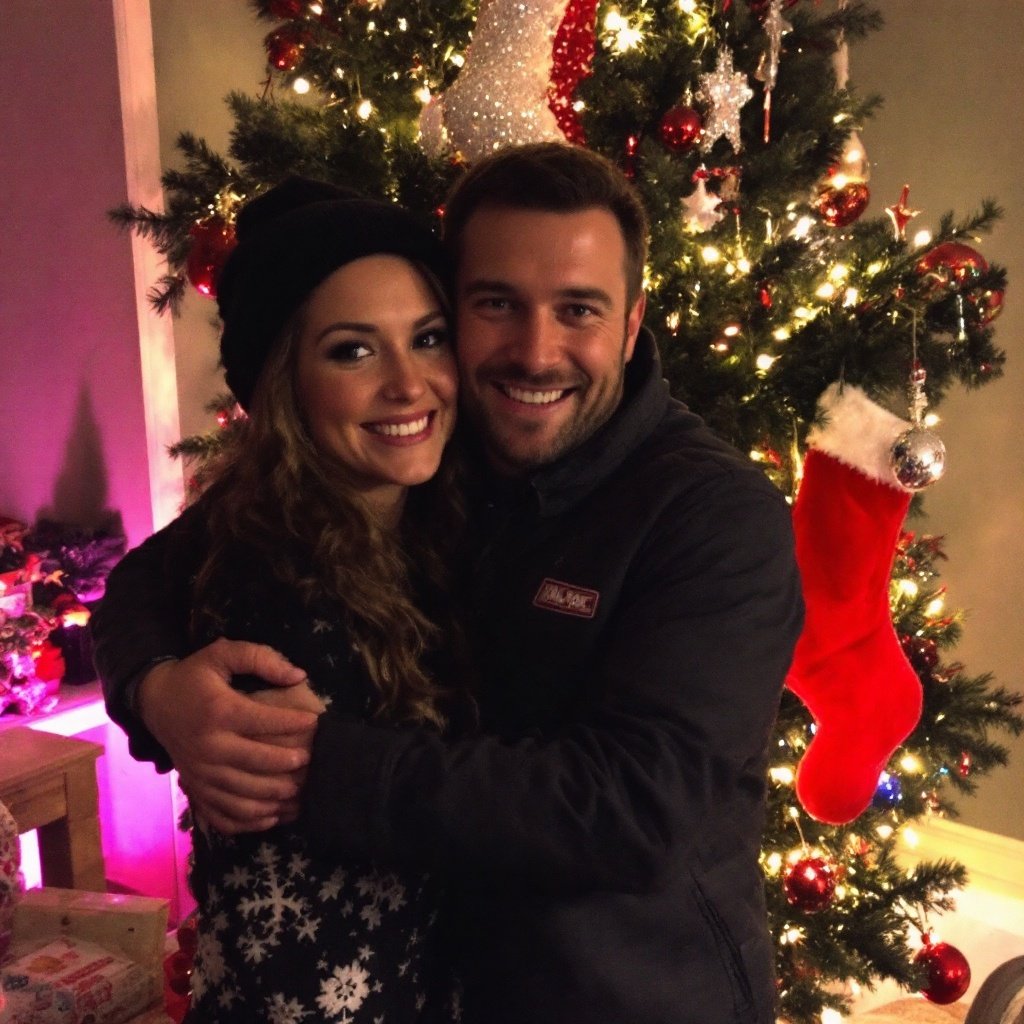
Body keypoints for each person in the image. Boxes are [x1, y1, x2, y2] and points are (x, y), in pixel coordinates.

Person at [94, 143, 804, 1024]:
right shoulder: (423, 443)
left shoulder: (711, 514)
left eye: (578, 309)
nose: (536, 353)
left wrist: (317, 767)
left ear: (631, 322)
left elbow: (631, 811)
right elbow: (149, 579)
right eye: (496, 304)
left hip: (631, 996)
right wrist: (154, 689)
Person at [111, 176, 468, 1021]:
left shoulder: (439, 513)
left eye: (429, 338)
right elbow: (297, 954)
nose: (409, 384)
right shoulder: (274, 582)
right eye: (353, 350)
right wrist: (157, 690)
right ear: (283, 383)